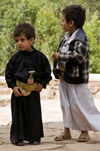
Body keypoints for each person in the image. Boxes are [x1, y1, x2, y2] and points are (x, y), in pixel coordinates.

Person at [52, 4, 100, 142]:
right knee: (65, 104)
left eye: (62, 20)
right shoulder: (65, 38)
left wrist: (60, 56)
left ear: (71, 23)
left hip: (77, 79)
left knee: (80, 105)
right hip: (65, 78)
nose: (61, 23)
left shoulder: (81, 38)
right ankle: (66, 130)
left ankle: (84, 131)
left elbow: (79, 56)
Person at [5, 22, 52, 146]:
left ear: (31, 40)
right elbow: (8, 74)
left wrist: (42, 84)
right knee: (18, 116)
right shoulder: (15, 58)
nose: (19, 43)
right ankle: (17, 138)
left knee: (33, 115)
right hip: (18, 93)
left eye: (22, 40)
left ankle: (34, 137)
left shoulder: (40, 57)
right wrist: (13, 86)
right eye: (16, 40)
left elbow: (47, 73)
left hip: (33, 92)